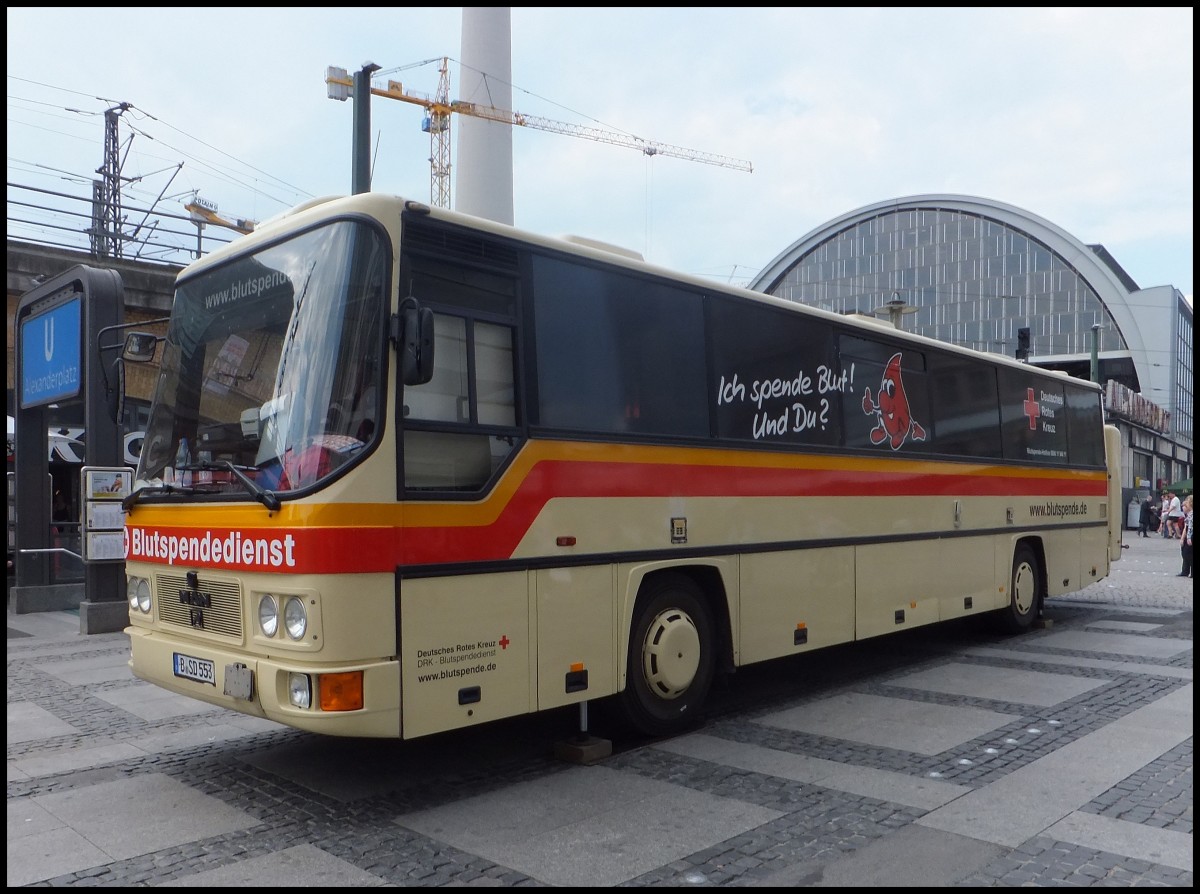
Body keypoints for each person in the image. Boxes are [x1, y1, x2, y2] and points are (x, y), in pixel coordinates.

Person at [1178, 495, 1193, 578]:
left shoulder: (1191, 515)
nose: (1183, 508)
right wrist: (1182, 538)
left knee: (1188, 553)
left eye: (1184, 506)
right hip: (1187, 534)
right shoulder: (1188, 516)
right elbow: (1186, 527)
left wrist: (1189, 537)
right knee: (1184, 553)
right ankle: (1185, 570)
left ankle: (1189, 571)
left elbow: (1190, 527)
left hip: (1190, 534)